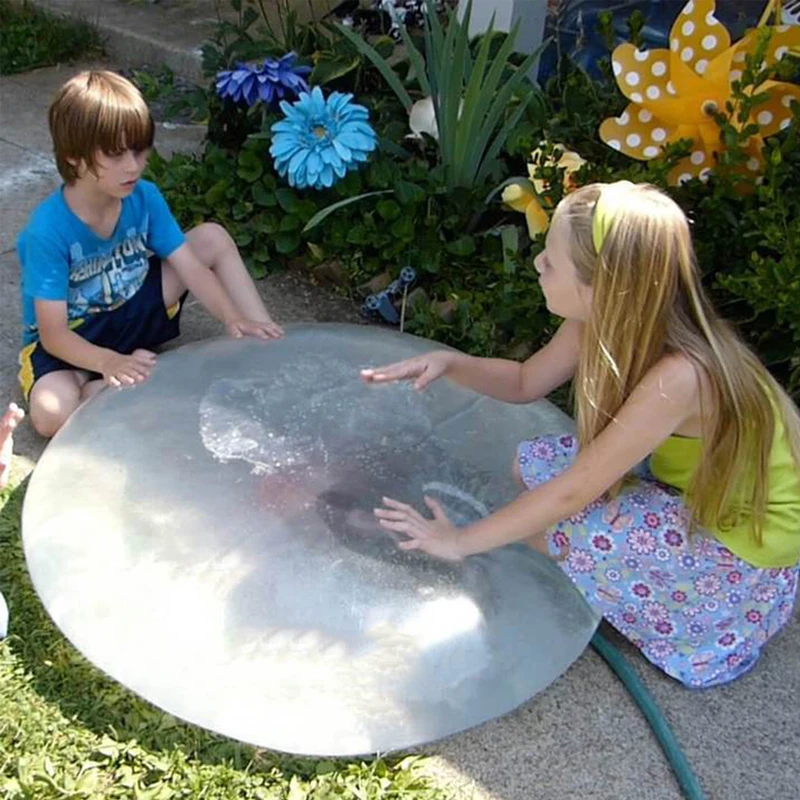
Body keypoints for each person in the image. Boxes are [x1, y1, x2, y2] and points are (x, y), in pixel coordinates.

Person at [361, 181, 800, 689]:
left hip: (744, 551)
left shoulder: (680, 375)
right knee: (531, 466)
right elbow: (527, 381)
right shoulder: (600, 317)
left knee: (548, 528)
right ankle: (634, 567)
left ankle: (702, 619)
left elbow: (574, 492)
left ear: (602, 285)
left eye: (550, 261)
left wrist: (460, 542)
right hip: (700, 492)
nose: (537, 266)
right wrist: (451, 362)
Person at [17, 70, 283, 438]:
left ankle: (264, 341)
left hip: (133, 309)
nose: (133, 165)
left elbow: (190, 265)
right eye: (115, 153)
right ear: (74, 157)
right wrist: (107, 361)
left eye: (139, 150)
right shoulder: (47, 231)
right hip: (77, 339)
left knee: (210, 237)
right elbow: (54, 335)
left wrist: (232, 318)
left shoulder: (145, 197)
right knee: (49, 413)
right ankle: (132, 385)